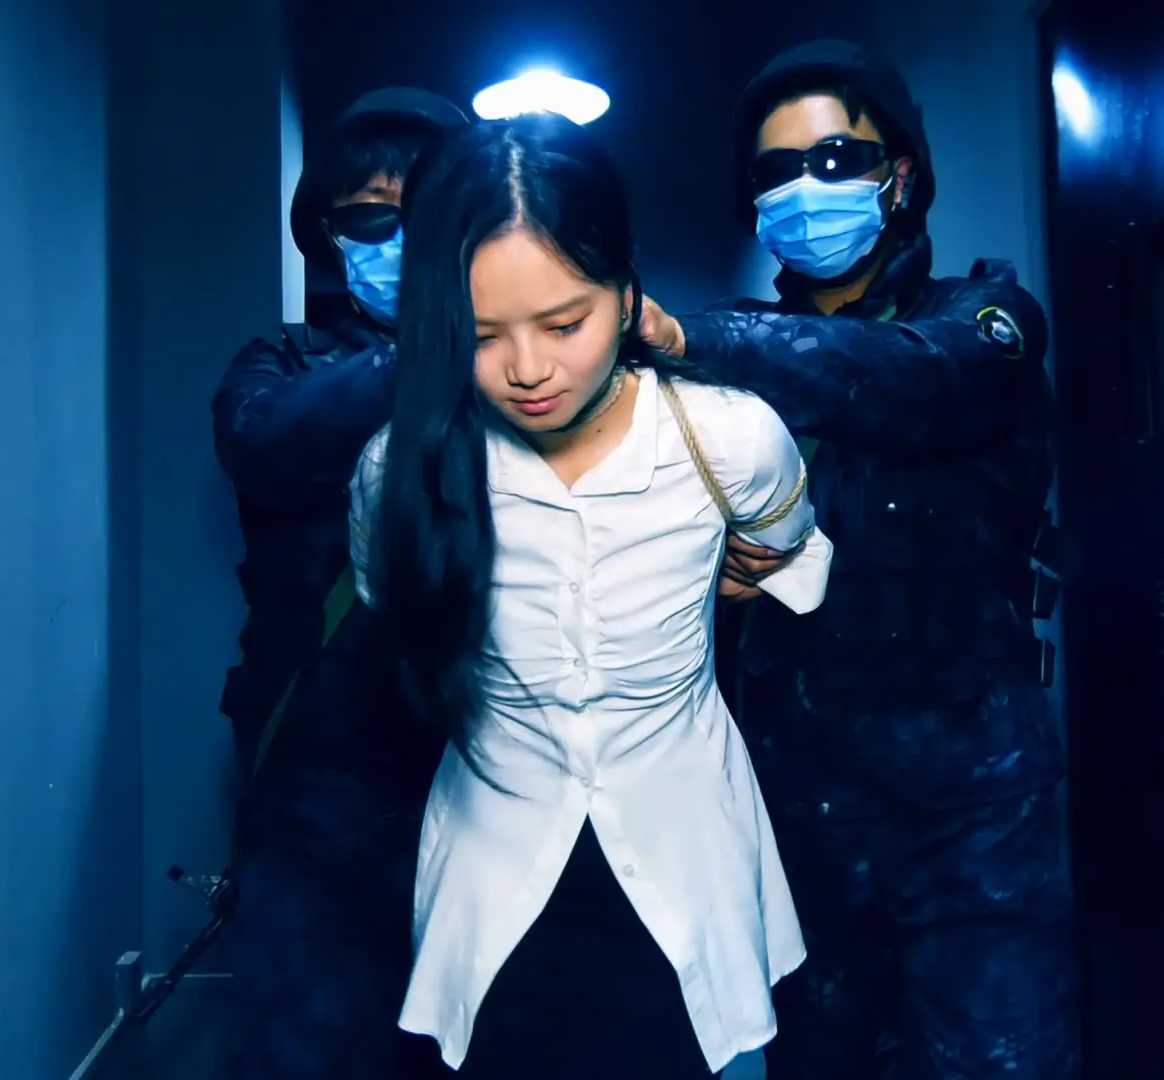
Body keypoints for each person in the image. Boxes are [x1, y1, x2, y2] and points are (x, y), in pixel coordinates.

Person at [348, 112, 834, 1080]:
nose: (529, 370)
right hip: (493, 895)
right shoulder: (398, 471)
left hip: (690, 876)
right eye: (482, 334)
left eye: (565, 324)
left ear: (626, 292)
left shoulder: (730, 440)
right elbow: (394, 605)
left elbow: (779, 552)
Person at [638, 39, 1080, 1080]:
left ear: (902, 175)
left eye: (838, 158)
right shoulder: (718, 365)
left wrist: (687, 338)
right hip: (801, 823)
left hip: (975, 823)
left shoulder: (986, 321)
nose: (808, 186)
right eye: (778, 169)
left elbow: (912, 382)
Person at [207, 87, 465, 1080]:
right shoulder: (280, 364)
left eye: (427, 215)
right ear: (326, 233)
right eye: (369, 219)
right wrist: (437, 351)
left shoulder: (525, 371)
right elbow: (268, 445)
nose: (399, 241)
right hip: (315, 785)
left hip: (488, 775)